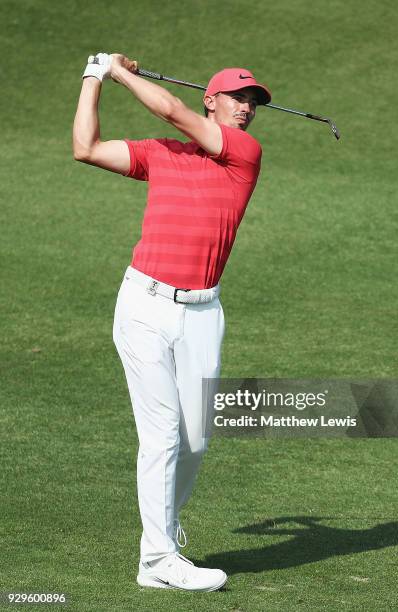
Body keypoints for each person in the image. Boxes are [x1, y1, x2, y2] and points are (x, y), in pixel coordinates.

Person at [72, 52, 271, 592]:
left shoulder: (244, 155)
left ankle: (161, 537)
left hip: (204, 312)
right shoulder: (162, 156)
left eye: (253, 102)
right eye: (237, 97)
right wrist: (95, 76)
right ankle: (158, 558)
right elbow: (85, 147)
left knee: (197, 439)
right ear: (213, 99)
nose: (247, 109)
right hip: (143, 305)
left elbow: (171, 112)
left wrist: (121, 72)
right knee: (161, 435)